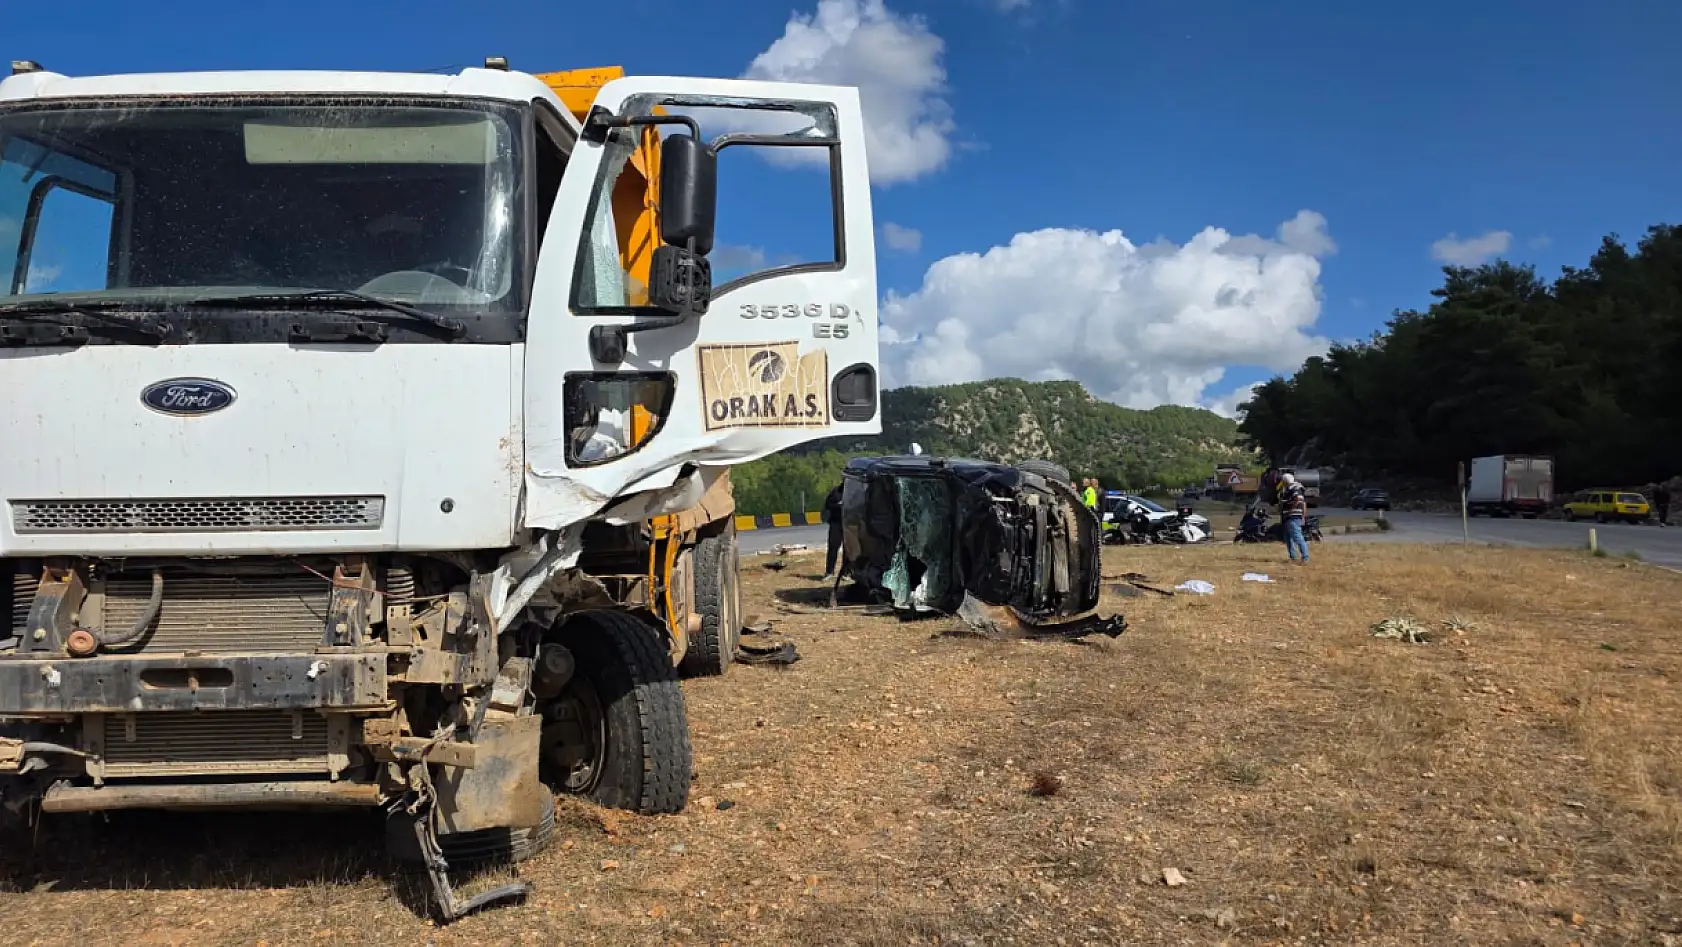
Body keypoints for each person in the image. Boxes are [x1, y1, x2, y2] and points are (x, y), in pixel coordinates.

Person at [1279, 472, 1309, 564]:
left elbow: (1298, 500)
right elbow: (1303, 504)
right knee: (1288, 538)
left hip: (1293, 517)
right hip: (1288, 517)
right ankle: (1293, 557)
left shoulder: (1295, 488)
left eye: (1283, 481)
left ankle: (1305, 557)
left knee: (1297, 537)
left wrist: (1291, 511)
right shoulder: (1288, 489)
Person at [822, 483, 846, 578]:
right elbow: (828, 504)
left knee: (848, 550)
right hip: (836, 522)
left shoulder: (854, 492)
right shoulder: (836, 491)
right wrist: (838, 505)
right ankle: (829, 572)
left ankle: (846, 572)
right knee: (833, 547)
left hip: (849, 523)